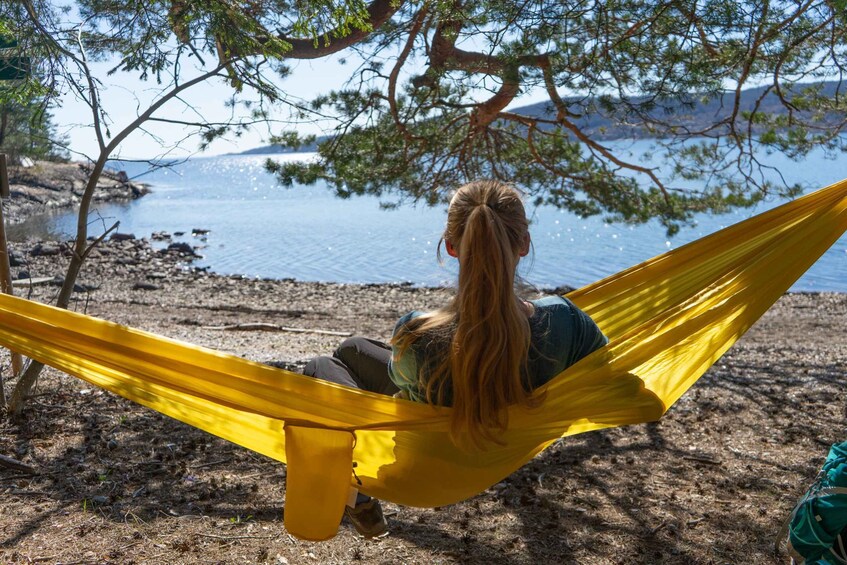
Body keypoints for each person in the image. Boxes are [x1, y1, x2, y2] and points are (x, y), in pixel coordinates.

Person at [303, 179, 608, 538]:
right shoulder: (566, 321)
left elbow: (402, 378)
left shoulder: (417, 333)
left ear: (450, 246)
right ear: (524, 244)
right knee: (353, 347)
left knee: (321, 367)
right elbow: (610, 375)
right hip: (501, 454)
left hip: (421, 469)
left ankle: (357, 492)